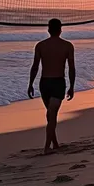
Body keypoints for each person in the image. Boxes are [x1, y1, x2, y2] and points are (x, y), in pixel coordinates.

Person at [28, 18, 75, 155]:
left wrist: (30, 83)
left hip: (44, 83)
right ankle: (47, 147)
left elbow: (35, 67)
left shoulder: (40, 45)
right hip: (58, 83)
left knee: (50, 114)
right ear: (60, 30)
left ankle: (55, 144)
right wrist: (71, 86)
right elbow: (71, 68)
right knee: (52, 114)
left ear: (48, 29)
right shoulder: (67, 46)